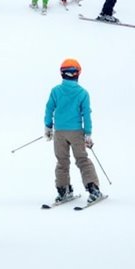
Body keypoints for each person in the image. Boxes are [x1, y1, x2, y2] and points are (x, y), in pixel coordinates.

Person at [44, 58, 101, 205]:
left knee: (62, 161)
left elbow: (49, 109)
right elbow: (86, 115)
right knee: (82, 160)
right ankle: (93, 189)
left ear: (62, 74)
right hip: (76, 133)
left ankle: (63, 190)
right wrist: (88, 134)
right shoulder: (83, 93)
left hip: (59, 132)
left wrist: (48, 127)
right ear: (78, 74)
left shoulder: (56, 91)